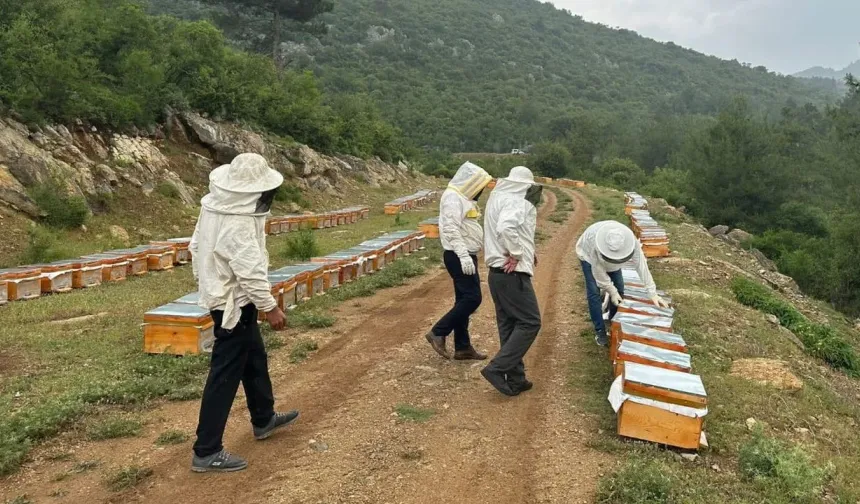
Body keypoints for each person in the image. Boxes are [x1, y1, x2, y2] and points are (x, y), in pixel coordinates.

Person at [188, 153, 299, 473]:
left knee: (254, 358)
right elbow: (249, 272)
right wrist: (271, 307)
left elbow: (195, 247)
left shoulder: (212, 206)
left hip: (223, 296)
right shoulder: (238, 221)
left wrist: (208, 282)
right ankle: (207, 450)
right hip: (233, 304)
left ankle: (263, 418)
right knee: (224, 375)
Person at [481, 166, 543, 396]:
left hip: (496, 274)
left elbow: (513, 230)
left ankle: (516, 378)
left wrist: (527, 250)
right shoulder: (519, 201)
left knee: (508, 324)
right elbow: (507, 228)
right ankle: (497, 369)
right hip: (512, 274)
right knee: (530, 322)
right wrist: (517, 254)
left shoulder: (497, 199)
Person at [425, 162, 493, 360]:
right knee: (473, 298)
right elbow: (451, 229)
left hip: (464, 255)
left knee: (463, 299)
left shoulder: (462, 198)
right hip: (458, 255)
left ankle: (463, 346)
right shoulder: (453, 198)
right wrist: (463, 255)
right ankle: (439, 331)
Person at [576, 220, 669, 347]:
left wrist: (652, 293)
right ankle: (600, 330)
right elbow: (599, 274)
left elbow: (641, 265)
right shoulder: (594, 245)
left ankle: (614, 321)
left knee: (620, 287)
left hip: (611, 262)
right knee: (594, 292)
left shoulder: (631, 242)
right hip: (588, 257)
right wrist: (611, 291)